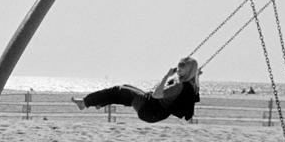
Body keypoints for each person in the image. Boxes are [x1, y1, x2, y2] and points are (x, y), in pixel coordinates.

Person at [73, 57, 201, 123]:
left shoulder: (178, 86)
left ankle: (85, 103)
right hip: (155, 110)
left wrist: (167, 76)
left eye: (181, 68)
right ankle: (98, 102)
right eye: (178, 67)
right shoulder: (191, 85)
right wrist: (195, 75)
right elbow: (191, 87)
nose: (178, 70)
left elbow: (157, 95)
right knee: (124, 90)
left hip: (150, 109)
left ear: (188, 71)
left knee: (118, 90)